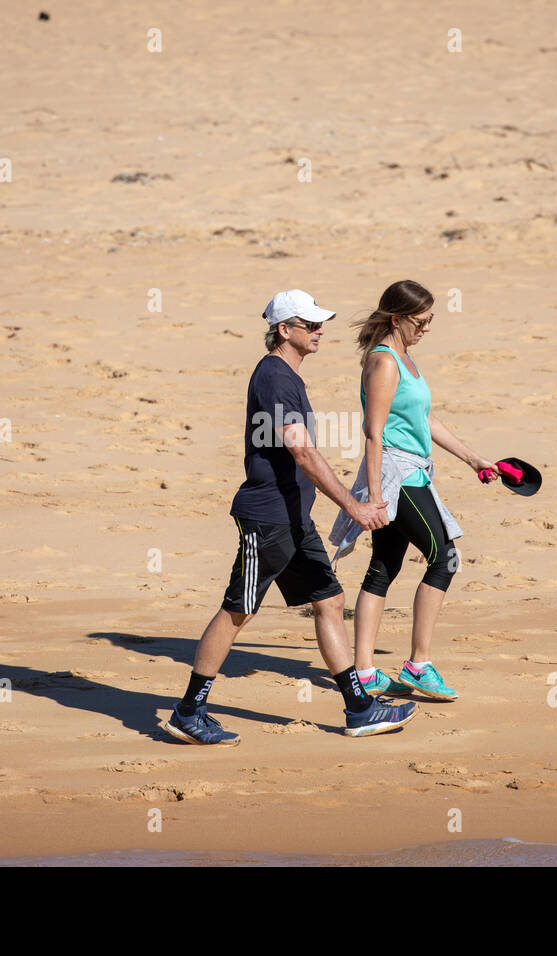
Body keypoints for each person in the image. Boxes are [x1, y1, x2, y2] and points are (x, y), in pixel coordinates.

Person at [163, 289, 418, 745]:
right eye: (311, 325)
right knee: (238, 610)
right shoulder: (276, 379)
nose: (320, 331)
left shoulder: (287, 377)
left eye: (321, 324)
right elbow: (300, 449)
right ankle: (188, 710)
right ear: (285, 330)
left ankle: (359, 708)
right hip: (268, 517)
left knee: (329, 601)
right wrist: (353, 505)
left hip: (293, 516)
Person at [328, 280, 499, 701]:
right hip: (395, 473)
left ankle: (365, 671)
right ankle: (418, 665)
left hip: (413, 470)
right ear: (396, 318)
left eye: (430, 320)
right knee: (445, 557)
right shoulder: (385, 362)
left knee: (384, 566)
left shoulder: (405, 358)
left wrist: (472, 458)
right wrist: (373, 495)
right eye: (420, 322)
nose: (425, 328)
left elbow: (427, 420)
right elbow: (374, 434)